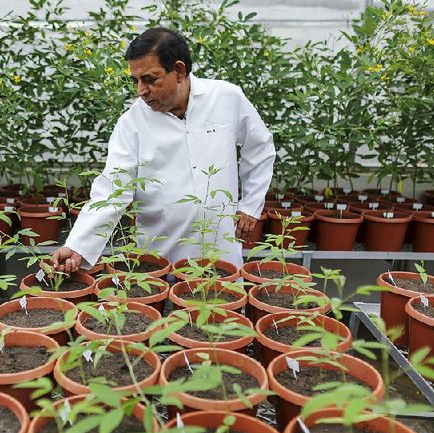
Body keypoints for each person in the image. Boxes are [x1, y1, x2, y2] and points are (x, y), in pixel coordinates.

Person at [52, 27, 275, 273]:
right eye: (135, 81)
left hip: (220, 250)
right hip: (160, 260)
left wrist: (250, 206)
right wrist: (77, 245)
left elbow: (260, 147)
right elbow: (112, 191)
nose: (140, 90)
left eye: (150, 79)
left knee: (222, 307)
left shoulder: (226, 98)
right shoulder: (132, 123)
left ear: (178, 71)